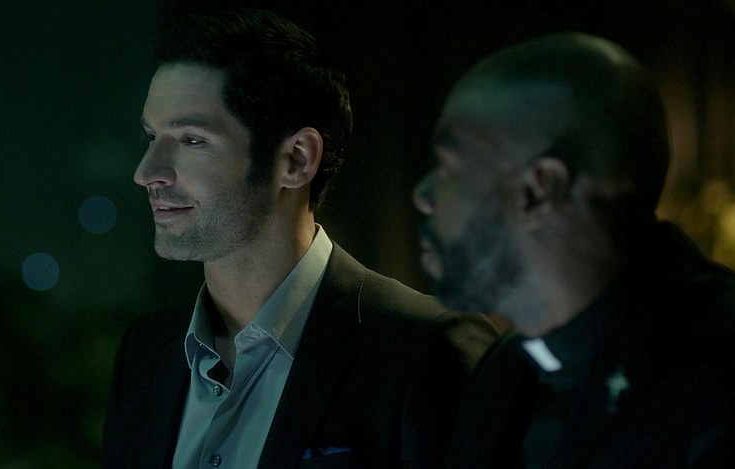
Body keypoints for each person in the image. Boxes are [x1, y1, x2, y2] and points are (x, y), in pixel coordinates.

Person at [103, 9, 497, 469]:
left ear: (296, 159)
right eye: (151, 136)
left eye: (191, 140)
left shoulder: (423, 351)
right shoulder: (147, 354)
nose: (146, 172)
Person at [414, 32, 735, 467]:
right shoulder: (502, 373)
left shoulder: (716, 370)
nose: (423, 195)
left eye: (449, 168)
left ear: (539, 189)